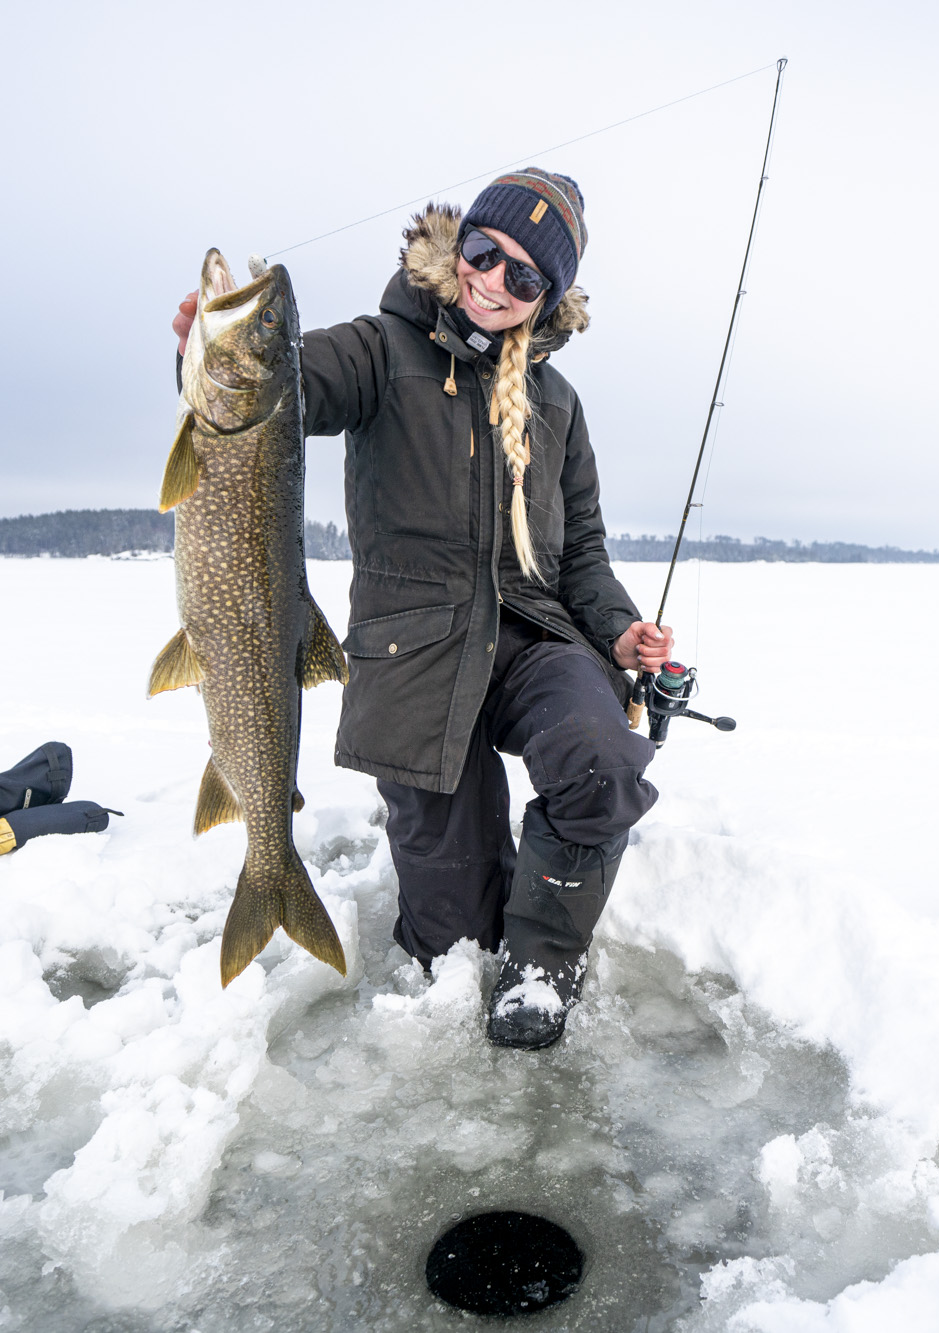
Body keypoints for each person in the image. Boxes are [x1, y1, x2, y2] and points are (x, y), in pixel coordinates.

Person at [173, 169, 673, 1049]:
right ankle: (473, 928)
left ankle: (542, 968)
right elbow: (279, 389)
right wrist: (206, 353)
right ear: (457, 248)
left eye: (525, 278)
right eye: (485, 255)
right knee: (453, 937)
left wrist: (619, 630)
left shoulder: (556, 405)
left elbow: (583, 552)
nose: (495, 282)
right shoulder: (380, 349)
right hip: (415, 661)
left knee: (602, 760)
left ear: (547, 297)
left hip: (532, 641)